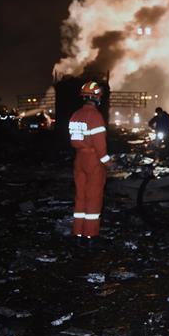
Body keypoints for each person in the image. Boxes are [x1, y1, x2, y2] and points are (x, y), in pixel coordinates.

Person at [68, 81, 112, 247]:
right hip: (93, 160)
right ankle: (91, 236)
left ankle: (78, 233)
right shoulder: (95, 116)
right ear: (97, 98)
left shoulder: (75, 115)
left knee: (80, 197)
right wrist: (109, 163)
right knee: (93, 197)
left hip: (79, 158)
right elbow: (100, 145)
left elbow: (74, 137)